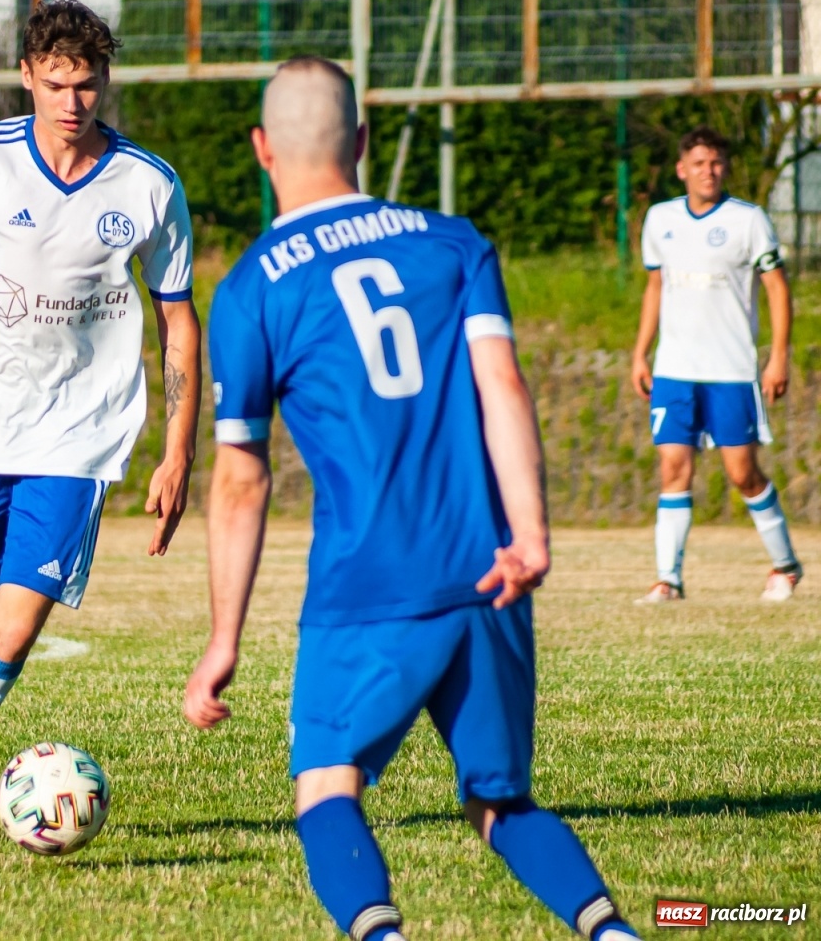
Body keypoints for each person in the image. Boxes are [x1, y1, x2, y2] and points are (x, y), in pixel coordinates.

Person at [184, 57, 638, 941]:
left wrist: (222, 641)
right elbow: (502, 384)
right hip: (488, 568)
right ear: (360, 139)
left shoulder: (251, 288)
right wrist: (531, 536)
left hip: (368, 581)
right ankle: (613, 934)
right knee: (499, 800)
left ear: (261, 149)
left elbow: (241, 479)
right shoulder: (454, 243)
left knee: (327, 786)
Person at [0, 0, 201, 847]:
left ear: (105, 81)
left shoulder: (149, 185)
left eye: (87, 84)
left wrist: (177, 453)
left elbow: (178, 318)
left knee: (11, 631)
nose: (72, 102)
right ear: (26, 76)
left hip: (79, 440)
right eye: (56, 83)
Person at [630, 126, 799, 603]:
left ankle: (785, 567)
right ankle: (668, 579)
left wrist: (778, 357)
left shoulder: (749, 220)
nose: (710, 171)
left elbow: (777, 289)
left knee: (743, 473)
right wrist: (640, 351)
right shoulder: (660, 219)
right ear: (682, 169)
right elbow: (655, 287)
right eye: (700, 163)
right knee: (673, 467)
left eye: (717, 163)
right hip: (674, 370)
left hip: (731, 370)